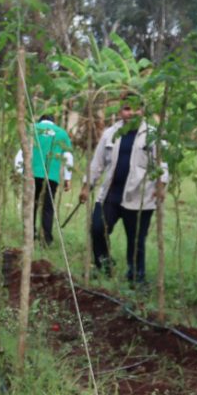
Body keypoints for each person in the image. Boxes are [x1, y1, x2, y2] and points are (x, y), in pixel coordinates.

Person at [80, 94, 168, 285]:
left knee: (136, 241)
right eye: (127, 108)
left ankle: (136, 277)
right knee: (97, 229)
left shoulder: (153, 135)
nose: (131, 113)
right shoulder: (110, 133)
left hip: (141, 197)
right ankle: (103, 265)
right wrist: (87, 186)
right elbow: (97, 162)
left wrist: (161, 186)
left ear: (142, 110)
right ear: (120, 111)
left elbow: (163, 163)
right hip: (111, 195)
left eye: (136, 108)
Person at [14, 114, 74, 246]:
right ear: (54, 122)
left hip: (31, 174)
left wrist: (18, 172)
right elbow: (68, 156)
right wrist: (67, 179)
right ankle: (46, 239)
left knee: (31, 204)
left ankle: (30, 235)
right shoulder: (62, 133)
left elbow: (21, 152)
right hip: (51, 176)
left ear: (40, 120)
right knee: (47, 207)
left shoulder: (32, 129)